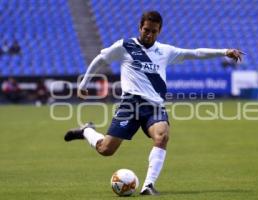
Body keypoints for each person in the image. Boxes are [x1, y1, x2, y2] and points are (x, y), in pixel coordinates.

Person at [64, 11, 244, 195]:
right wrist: (84, 83)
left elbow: (195, 53)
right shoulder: (125, 46)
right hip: (130, 104)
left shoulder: (165, 51)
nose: (149, 34)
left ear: (159, 31)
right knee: (106, 150)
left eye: (153, 31)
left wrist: (224, 52)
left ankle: (148, 185)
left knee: (162, 136)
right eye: (146, 30)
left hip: (154, 106)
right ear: (140, 28)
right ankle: (86, 130)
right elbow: (101, 59)